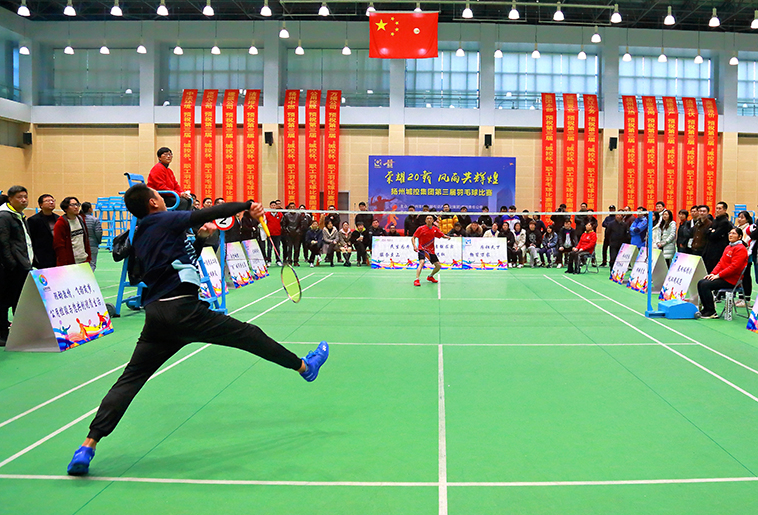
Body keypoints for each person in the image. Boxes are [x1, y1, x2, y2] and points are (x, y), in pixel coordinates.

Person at [65, 183, 329, 476]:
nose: (162, 199)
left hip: (157, 318)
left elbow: (182, 264)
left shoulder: (141, 233)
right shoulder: (163, 219)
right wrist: (247, 205)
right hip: (186, 312)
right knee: (250, 336)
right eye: (158, 196)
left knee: (130, 380)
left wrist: (202, 241)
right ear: (153, 204)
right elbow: (209, 212)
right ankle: (305, 367)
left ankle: (87, 446)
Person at [0, 186, 33, 346]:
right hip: (9, 269)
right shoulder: (4, 216)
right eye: (20, 197)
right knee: (4, 302)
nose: (24, 200)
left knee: (20, 302)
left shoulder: (19, 215)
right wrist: (11, 264)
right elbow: (3, 243)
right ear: (10, 199)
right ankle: (2, 335)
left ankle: (20, 333)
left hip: (23, 266)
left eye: (25, 197)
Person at [696, 227, 748, 319]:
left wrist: (718, 275)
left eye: (734, 233)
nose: (731, 235)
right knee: (701, 282)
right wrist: (713, 274)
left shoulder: (741, 249)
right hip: (723, 277)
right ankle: (706, 309)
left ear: (740, 237)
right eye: (730, 233)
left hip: (732, 280)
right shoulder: (728, 247)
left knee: (705, 285)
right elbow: (720, 263)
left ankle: (711, 311)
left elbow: (734, 267)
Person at [412, 214, 451, 286]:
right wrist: (414, 246)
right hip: (422, 249)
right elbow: (413, 237)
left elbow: (442, 235)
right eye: (427, 218)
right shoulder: (421, 228)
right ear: (425, 220)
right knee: (421, 263)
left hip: (431, 250)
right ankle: (417, 279)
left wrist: (447, 237)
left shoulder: (435, 229)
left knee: (438, 266)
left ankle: (430, 276)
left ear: (433, 221)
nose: (429, 220)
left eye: (430, 218)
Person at [53, 196, 92, 267]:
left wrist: (88, 257)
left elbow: (86, 240)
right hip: (69, 263)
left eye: (77, 204)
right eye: (72, 205)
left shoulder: (81, 219)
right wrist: (64, 263)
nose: (76, 207)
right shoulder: (61, 223)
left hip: (84, 260)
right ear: (66, 208)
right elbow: (59, 245)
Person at [27, 193, 60, 269]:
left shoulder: (58, 218)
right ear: (41, 205)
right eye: (47, 201)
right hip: (41, 256)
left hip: (56, 254)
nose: (51, 202)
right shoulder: (33, 220)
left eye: (52, 200)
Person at [703, 201, 733, 273]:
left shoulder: (725, 222)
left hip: (718, 251)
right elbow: (706, 232)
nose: (717, 210)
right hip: (710, 249)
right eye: (716, 208)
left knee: (714, 270)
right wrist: (711, 231)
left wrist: (712, 231)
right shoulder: (715, 220)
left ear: (725, 210)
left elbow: (714, 235)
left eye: (720, 208)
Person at [735, 211, 754, 306]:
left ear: (747, 219)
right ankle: (740, 297)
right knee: (740, 277)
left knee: (746, 277)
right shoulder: (737, 228)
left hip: (746, 256)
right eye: (739, 217)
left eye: (742, 217)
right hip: (737, 255)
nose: (739, 219)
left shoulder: (749, 228)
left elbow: (747, 242)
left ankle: (747, 299)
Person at [80, 202, 103, 271]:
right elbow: (98, 232)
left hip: (80, 245)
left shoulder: (78, 219)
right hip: (92, 244)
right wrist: (98, 241)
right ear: (90, 209)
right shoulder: (95, 220)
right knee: (92, 264)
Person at [264, 200, 283, 266]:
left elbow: (282, 223)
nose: (273, 207)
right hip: (269, 234)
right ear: (270, 206)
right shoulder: (267, 214)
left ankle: (278, 260)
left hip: (278, 234)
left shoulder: (280, 214)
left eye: (274, 205)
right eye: (272, 205)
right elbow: (265, 224)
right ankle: (269, 261)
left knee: (277, 248)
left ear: (276, 206)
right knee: (269, 248)